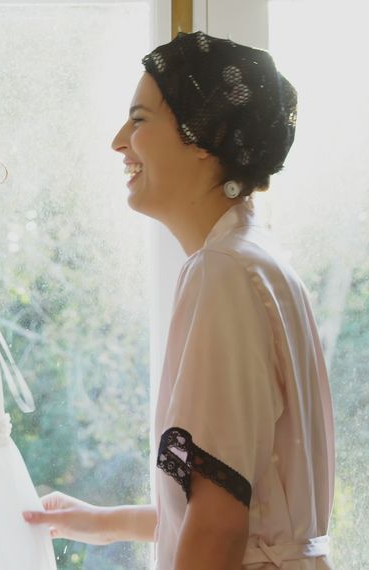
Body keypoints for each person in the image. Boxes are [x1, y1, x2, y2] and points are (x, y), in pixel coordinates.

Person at [24, 32, 334, 569]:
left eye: (139, 119)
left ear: (201, 137)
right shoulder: (258, 262)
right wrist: (100, 522)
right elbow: (247, 500)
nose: (119, 141)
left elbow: (219, 526)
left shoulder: (224, 273)